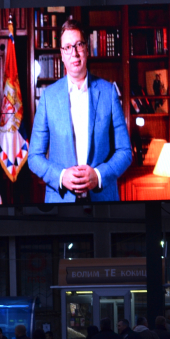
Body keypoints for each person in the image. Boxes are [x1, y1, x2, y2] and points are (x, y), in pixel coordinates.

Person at [28, 19, 132, 203]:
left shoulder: (108, 92)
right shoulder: (48, 97)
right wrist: (61, 176)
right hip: (60, 201)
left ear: (86, 48)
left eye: (78, 45)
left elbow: (125, 151)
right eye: (67, 47)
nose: (74, 53)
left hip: (102, 200)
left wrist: (99, 175)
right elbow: (34, 157)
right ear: (61, 54)